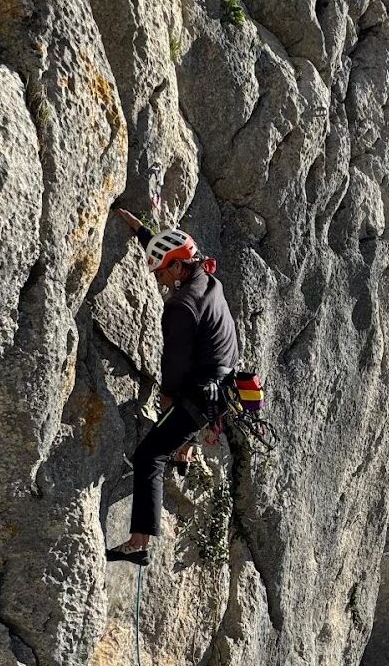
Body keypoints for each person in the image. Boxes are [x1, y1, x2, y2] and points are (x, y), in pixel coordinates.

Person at [105, 208, 239, 565]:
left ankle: (138, 543)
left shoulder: (181, 306)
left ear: (178, 268)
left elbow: (175, 364)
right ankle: (185, 447)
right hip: (219, 387)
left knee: (149, 455)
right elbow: (174, 252)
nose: (159, 279)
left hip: (198, 393)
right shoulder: (208, 280)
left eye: (162, 272)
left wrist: (166, 398)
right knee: (179, 426)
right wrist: (141, 230)